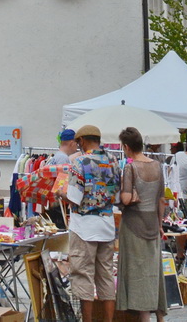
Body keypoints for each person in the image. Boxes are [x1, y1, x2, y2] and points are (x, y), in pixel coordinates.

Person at [63, 125, 120, 322]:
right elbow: (117, 194)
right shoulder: (113, 161)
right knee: (105, 276)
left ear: (82, 141)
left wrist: (60, 191)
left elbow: (74, 198)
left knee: (83, 275)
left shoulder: (80, 162)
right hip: (107, 224)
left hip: (84, 226)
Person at [116, 126, 166, 322]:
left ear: (126, 147)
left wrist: (121, 195)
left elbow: (127, 199)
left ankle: (144, 317)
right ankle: (160, 315)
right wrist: (160, 223)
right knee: (153, 270)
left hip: (133, 226)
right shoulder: (156, 165)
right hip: (152, 224)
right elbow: (161, 199)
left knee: (137, 273)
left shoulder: (130, 167)